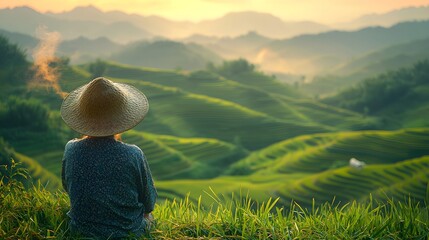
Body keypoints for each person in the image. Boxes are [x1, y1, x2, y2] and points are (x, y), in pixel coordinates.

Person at [60, 77, 157, 238]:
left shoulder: (71, 149)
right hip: (128, 233)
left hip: (79, 231)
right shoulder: (133, 154)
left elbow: (67, 187)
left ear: (83, 117)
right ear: (122, 117)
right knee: (148, 217)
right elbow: (149, 202)